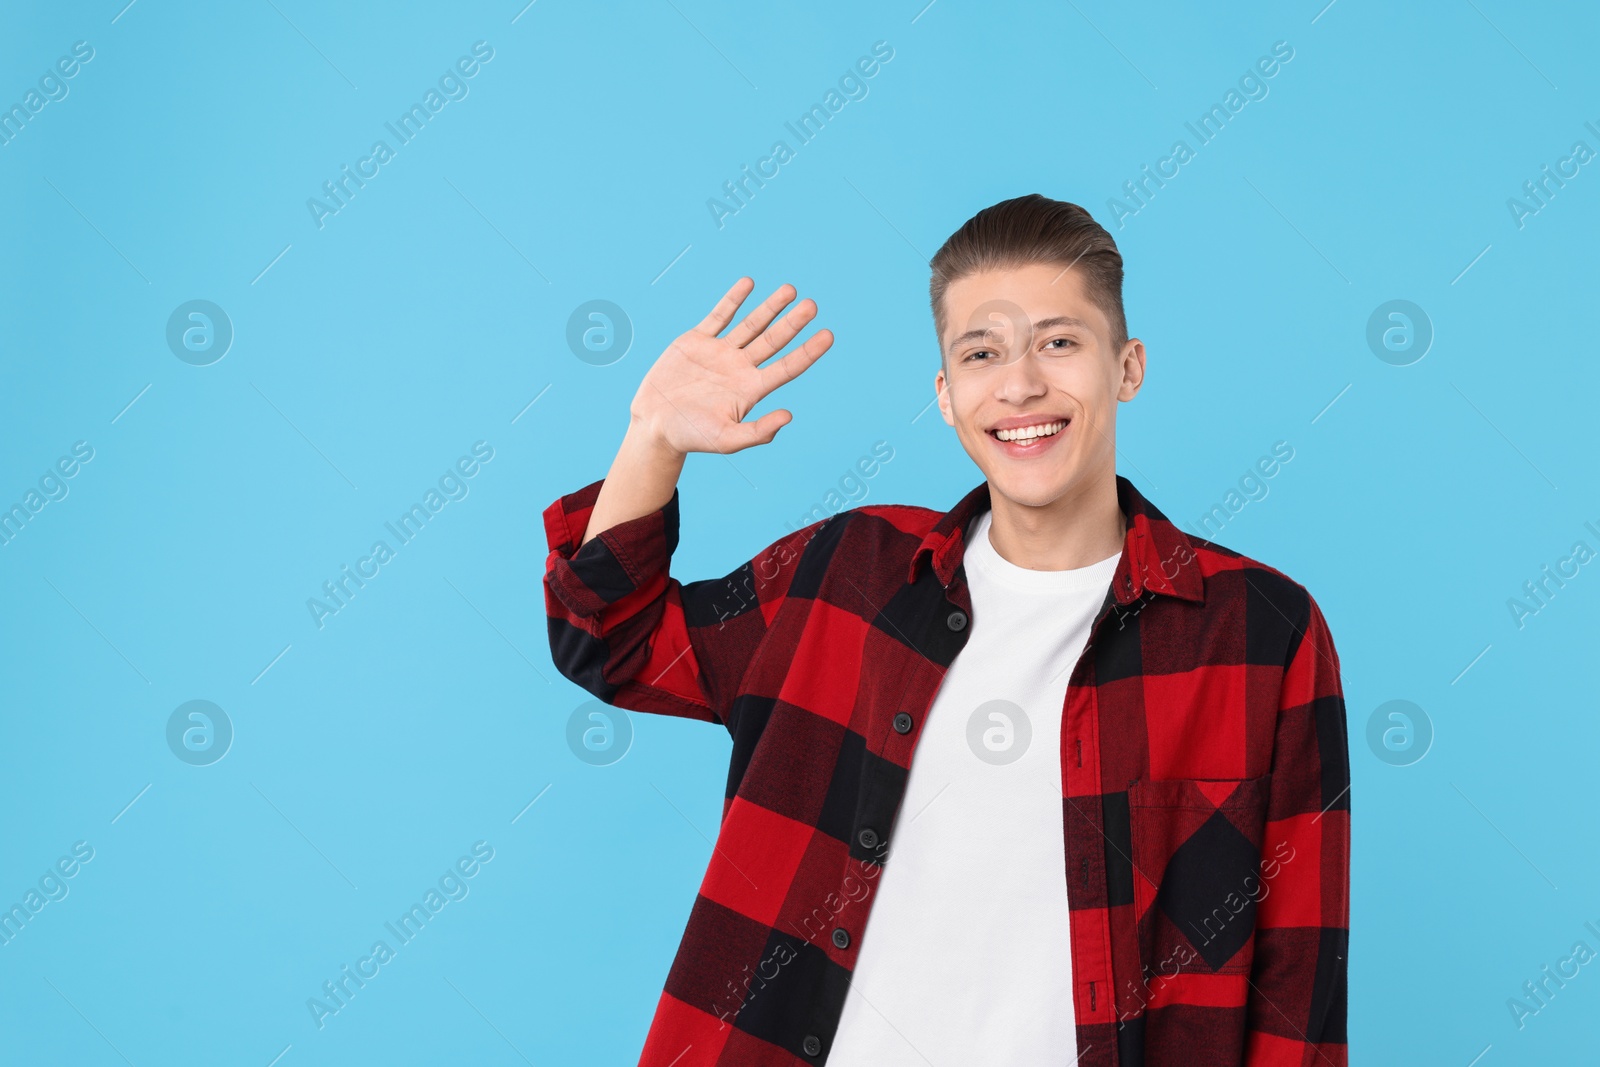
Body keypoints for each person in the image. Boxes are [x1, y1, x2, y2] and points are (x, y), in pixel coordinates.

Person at [541, 194, 1349, 1066]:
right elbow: (610, 643)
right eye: (981, 352)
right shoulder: (846, 576)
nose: (1020, 384)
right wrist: (652, 440)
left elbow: (1294, 985)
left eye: (1060, 342)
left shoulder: (1259, 633)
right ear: (946, 394)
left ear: (1128, 366)